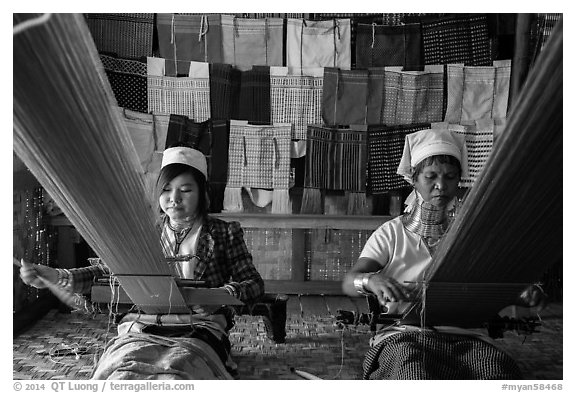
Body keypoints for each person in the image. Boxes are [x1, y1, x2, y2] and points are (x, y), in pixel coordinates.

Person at [20, 145, 265, 379]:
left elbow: (253, 283)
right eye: (166, 189)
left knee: (180, 370)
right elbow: (106, 272)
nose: (174, 199)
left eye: (186, 190)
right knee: (123, 370)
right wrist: (55, 276)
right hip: (141, 326)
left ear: (203, 193)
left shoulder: (224, 232)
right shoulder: (145, 233)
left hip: (199, 325)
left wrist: (218, 297)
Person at [342, 128, 540, 380]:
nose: (440, 185)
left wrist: (523, 294)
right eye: (430, 176)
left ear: (459, 179)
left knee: (496, 372)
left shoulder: (473, 235)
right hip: (404, 335)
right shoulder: (392, 233)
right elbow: (350, 282)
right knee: (412, 374)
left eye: (449, 176)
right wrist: (371, 280)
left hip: (468, 337)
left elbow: (501, 286)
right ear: (414, 179)